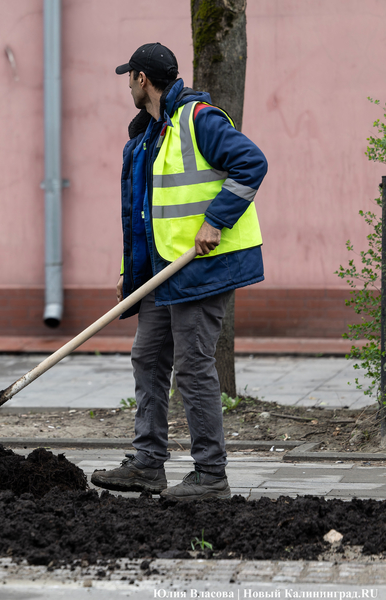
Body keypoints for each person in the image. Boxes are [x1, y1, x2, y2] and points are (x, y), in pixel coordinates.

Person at [90, 43, 267, 500]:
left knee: (192, 367)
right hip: (163, 272)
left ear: (141, 79)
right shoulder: (150, 133)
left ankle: (211, 474)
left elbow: (252, 163)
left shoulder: (198, 119)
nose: (127, 85)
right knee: (148, 358)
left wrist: (216, 221)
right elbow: (147, 213)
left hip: (202, 269)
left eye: (128, 77)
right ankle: (148, 464)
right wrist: (132, 271)